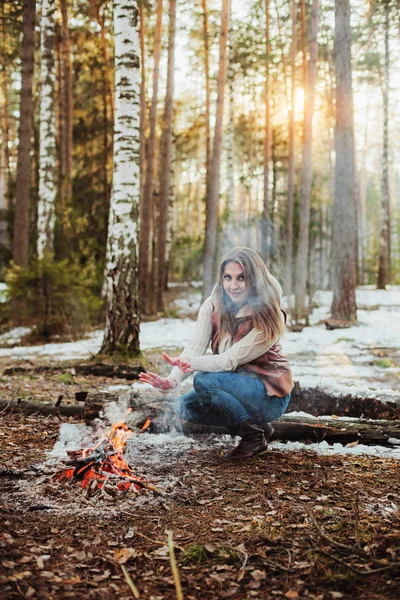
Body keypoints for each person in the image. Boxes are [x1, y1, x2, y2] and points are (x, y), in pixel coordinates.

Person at [139, 247, 293, 459]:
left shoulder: (269, 315)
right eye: (227, 277)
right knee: (186, 406)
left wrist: (192, 364)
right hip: (234, 385)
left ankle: (253, 437)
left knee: (204, 380)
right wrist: (172, 380)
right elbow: (195, 347)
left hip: (269, 396)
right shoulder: (212, 305)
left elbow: (229, 360)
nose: (233, 285)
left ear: (255, 279)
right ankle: (259, 428)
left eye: (241, 278)